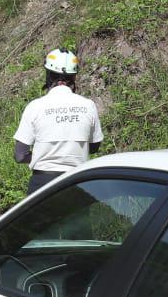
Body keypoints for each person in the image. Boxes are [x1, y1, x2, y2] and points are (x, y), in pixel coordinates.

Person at [14, 48, 103, 194]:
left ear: (48, 75)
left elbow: (20, 155)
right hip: (78, 183)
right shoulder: (88, 105)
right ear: (74, 77)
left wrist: (43, 155)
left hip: (42, 184)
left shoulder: (35, 106)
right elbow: (94, 146)